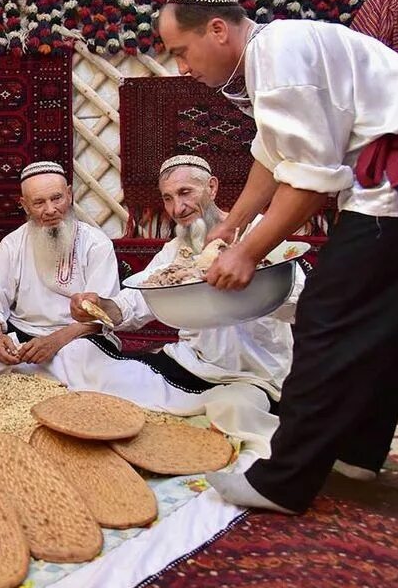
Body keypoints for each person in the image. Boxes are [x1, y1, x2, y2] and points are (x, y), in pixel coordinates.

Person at [154, 0, 398, 513]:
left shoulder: (280, 60)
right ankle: (358, 451)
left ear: (217, 30)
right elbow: (274, 154)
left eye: (181, 51)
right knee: (387, 325)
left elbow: (310, 180)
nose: (182, 67)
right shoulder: (271, 55)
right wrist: (232, 225)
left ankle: (281, 480)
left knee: (325, 316)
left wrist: (248, 252)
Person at [70, 154, 303, 453]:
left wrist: (249, 282)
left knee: (235, 409)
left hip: (252, 375)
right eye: (167, 198)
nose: (177, 209)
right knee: (95, 367)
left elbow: (298, 307)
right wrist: (98, 305)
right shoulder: (175, 252)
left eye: (185, 193)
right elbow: (134, 303)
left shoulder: (260, 236)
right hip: (189, 364)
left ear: (212, 187)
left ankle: (193, 426)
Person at [0, 161, 119, 380]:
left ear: (69, 195)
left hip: (75, 338)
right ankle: (37, 372)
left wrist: (55, 341)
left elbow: (103, 316)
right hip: (23, 338)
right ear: (25, 205)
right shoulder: (12, 245)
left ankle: (32, 374)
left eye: (56, 198)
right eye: (39, 202)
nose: (50, 210)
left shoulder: (96, 244)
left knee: (83, 357)